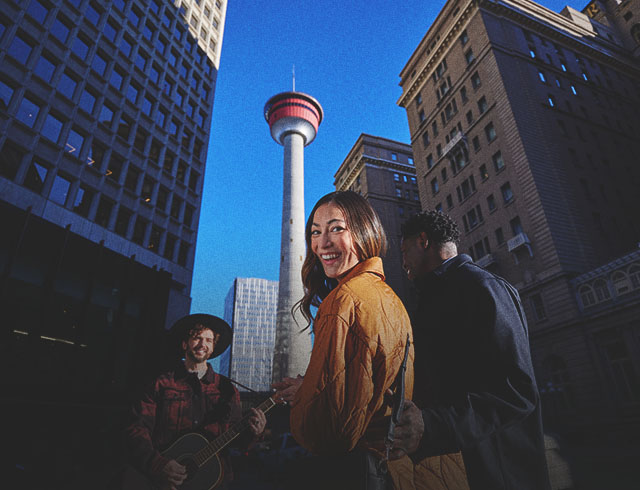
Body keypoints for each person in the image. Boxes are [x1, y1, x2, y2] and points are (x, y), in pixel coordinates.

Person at [389, 210, 551, 489]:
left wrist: (431, 426)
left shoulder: (481, 287)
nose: (402, 262)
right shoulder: (434, 297)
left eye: (404, 251)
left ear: (423, 241)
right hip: (457, 470)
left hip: (501, 474)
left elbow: (517, 391)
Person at [272, 190, 417, 489]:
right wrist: (312, 383)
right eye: (315, 232)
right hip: (393, 470)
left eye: (336, 228)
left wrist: (304, 397)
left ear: (364, 232)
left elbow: (330, 430)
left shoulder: (344, 302)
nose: (322, 243)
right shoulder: (390, 298)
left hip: (353, 472)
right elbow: (368, 387)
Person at [122, 314, 266, 490]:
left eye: (208, 340)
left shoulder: (227, 390)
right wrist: (159, 464)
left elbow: (237, 441)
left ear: (213, 348)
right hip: (164, 482)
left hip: (214, 482)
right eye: (197, 338)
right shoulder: (161, 384)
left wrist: (254, 433)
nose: (202, 344)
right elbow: (136, 429)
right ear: (185, 344)